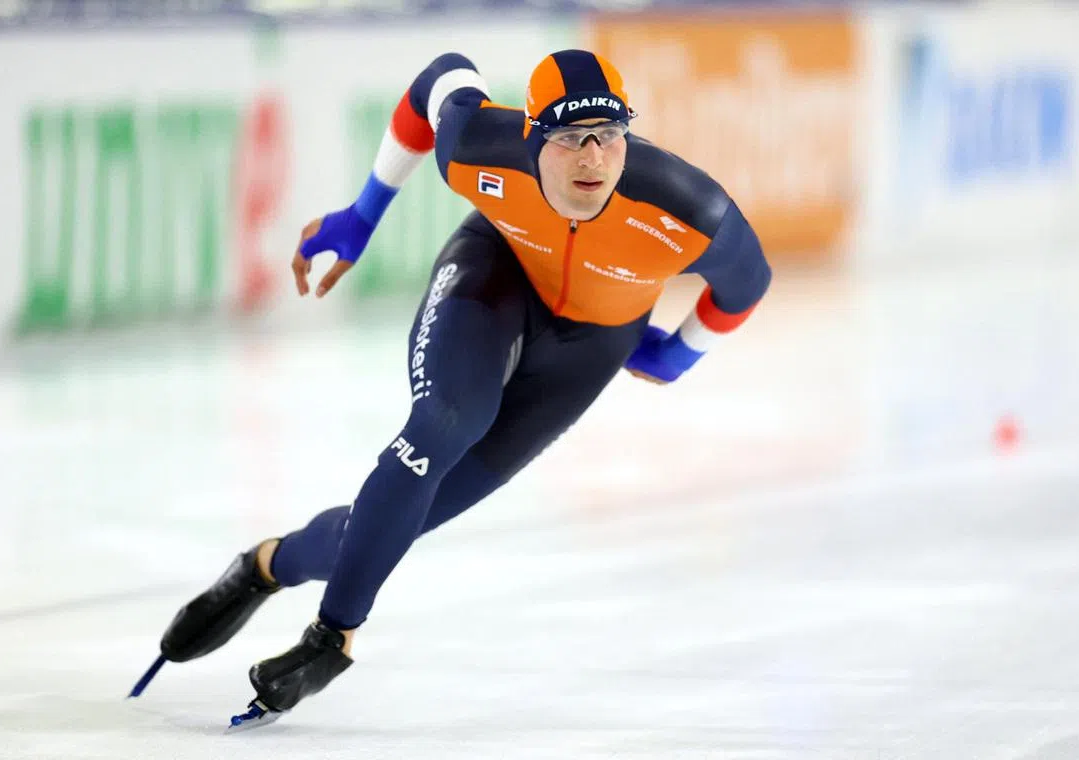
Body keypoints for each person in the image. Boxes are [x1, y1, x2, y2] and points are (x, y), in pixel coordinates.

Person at [144, 49, 772, 726]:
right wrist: (362, 214)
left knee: (391, 527)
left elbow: (747, 283)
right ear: (532, 135)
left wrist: (679, 354)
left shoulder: (689, 207)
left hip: (590, 347)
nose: (592, 157)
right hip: (494, 275)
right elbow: (440, 75)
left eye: (608, 134)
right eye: (569, 137)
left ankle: (265, 566)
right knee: (444, 422)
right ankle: (333, 638)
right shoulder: (478, 143)